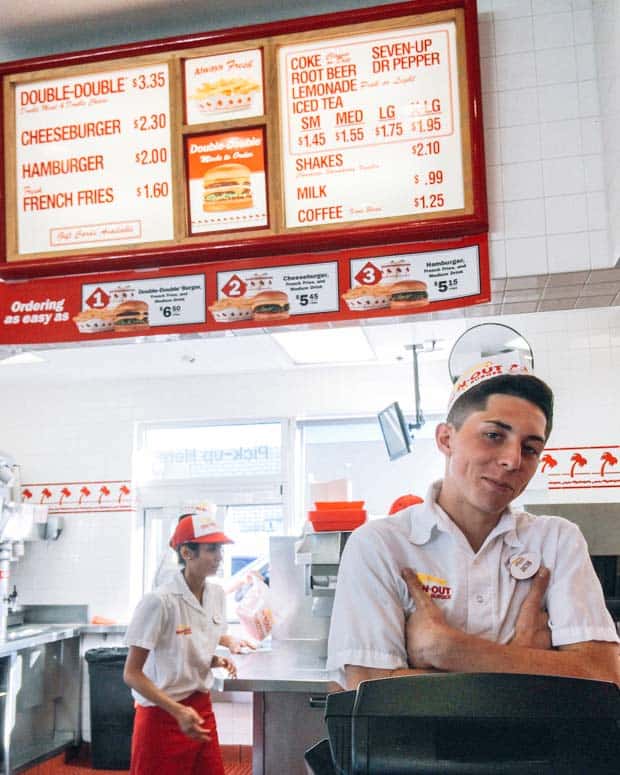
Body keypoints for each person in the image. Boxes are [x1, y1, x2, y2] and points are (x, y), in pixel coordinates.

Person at [327, 358, 620, 690]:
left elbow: (604, 675)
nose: (512, 460)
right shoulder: (381, 545)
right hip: (420, 744)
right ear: (446, 439)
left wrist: (449, 650)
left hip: (535, 744)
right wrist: (529, 663)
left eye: (531, 448)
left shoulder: (556, 540)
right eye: (494, 435)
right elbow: (370, 687)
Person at [124, 513, 238, 775]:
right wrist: (177, 711)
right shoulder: (159, 602)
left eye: (219, 548)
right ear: (187, 552)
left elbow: (189, 646)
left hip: (199, 709)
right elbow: (131, 674)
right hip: (161, 715)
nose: (219, 556)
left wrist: (214, 660)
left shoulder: (217, 595)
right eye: (211, 549)